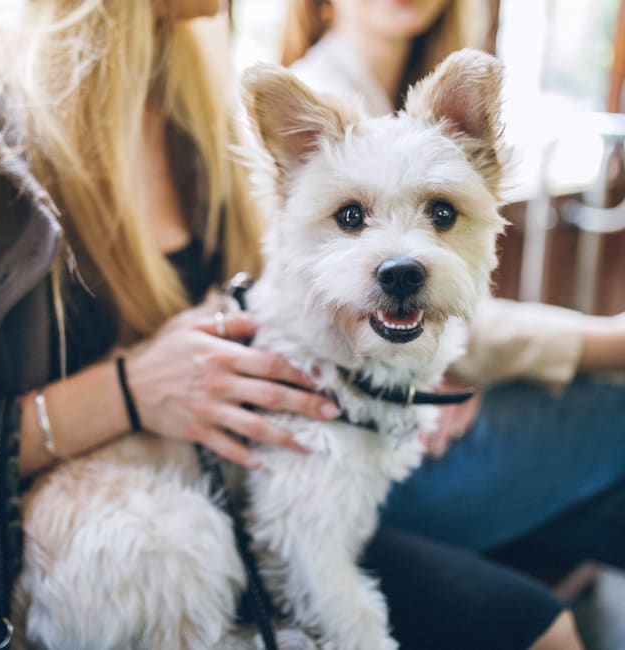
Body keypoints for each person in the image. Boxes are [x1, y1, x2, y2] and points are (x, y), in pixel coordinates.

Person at [0, 1, 597, 650]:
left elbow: (304, 303)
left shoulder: (199, 114)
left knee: (545, 627)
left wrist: (422, 363)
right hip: (24, 568)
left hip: (251, 498)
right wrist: (124, 393)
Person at [282, 0, 625, 642]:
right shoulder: (311, 114)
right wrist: (613, 342)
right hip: (353, 447)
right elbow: (336, 308)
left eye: (440, 212)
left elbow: (456, 309)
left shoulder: (422, 98)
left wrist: (450, 361)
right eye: (356, 216)